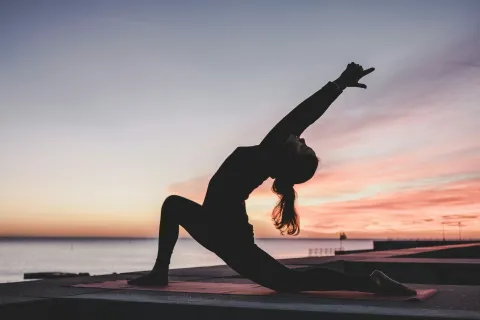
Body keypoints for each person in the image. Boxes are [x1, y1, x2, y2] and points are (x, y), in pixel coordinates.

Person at [129, 63, 416, 296]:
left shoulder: (267, 154)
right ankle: (160, 272)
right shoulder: (264, 158)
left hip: (227, 234)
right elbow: (299, 123)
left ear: (288, 159)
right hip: (215, 225)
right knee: (173, 205)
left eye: (303, 146)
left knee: (288, 283)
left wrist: (338, 84)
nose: (301, 138)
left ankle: (369, 282)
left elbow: (301, 116)